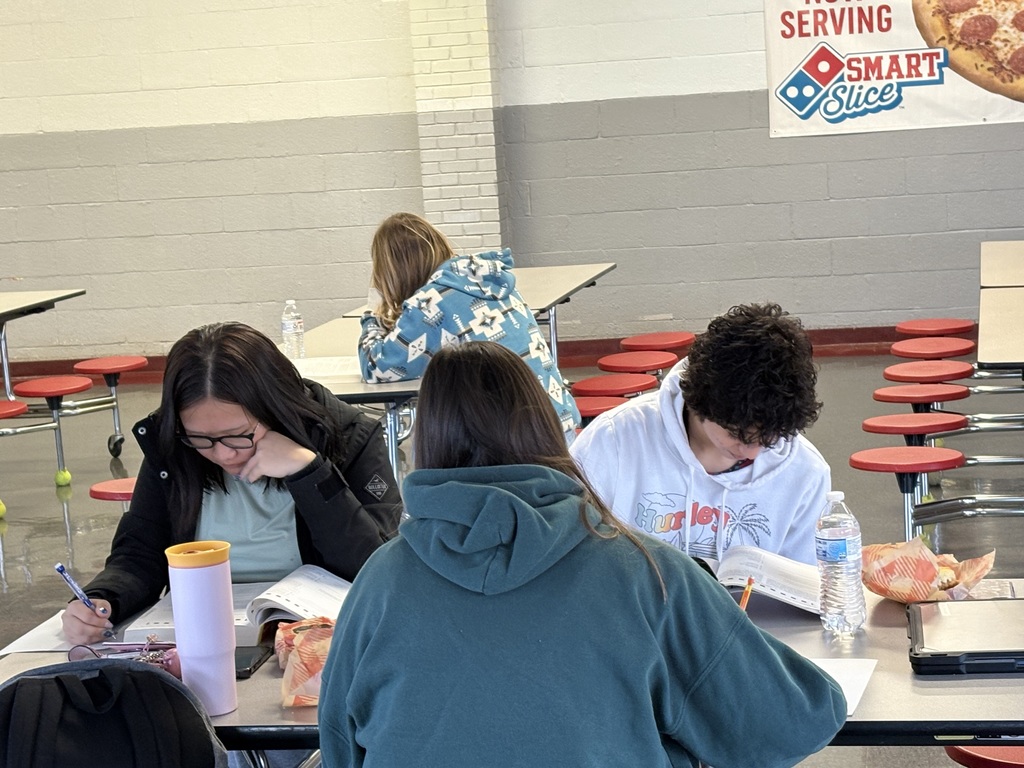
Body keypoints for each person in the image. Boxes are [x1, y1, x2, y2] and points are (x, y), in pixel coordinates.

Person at [318, 341, 845, 768]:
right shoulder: (648, 574)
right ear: (546, 429)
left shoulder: (377, 586)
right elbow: (793, 720)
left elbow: (341, 745)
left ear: (422, 444)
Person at [62, 322, 402, 645]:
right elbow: (140, 553)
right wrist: (103, 598)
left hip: (321, 638)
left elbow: (376, 569)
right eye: (201, 438)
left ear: (276, 408)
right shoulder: (174, 448)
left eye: (238, 436)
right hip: (205, 633)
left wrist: (309, 473)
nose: (223, 455)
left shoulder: (350, 436)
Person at [570, 302, 829, 565]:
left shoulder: (806, 471)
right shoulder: (613, 441)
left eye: (768, 439)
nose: (752, 452)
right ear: (699, 402)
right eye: (737, 435)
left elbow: (808, 582)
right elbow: (570, 552)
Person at [357, 211, 580, 441]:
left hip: (519, 443)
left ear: (394, 271)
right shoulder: (487, 279)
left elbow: (378, 369)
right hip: (559, 424)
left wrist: (372, 318)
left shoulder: (431, 301)